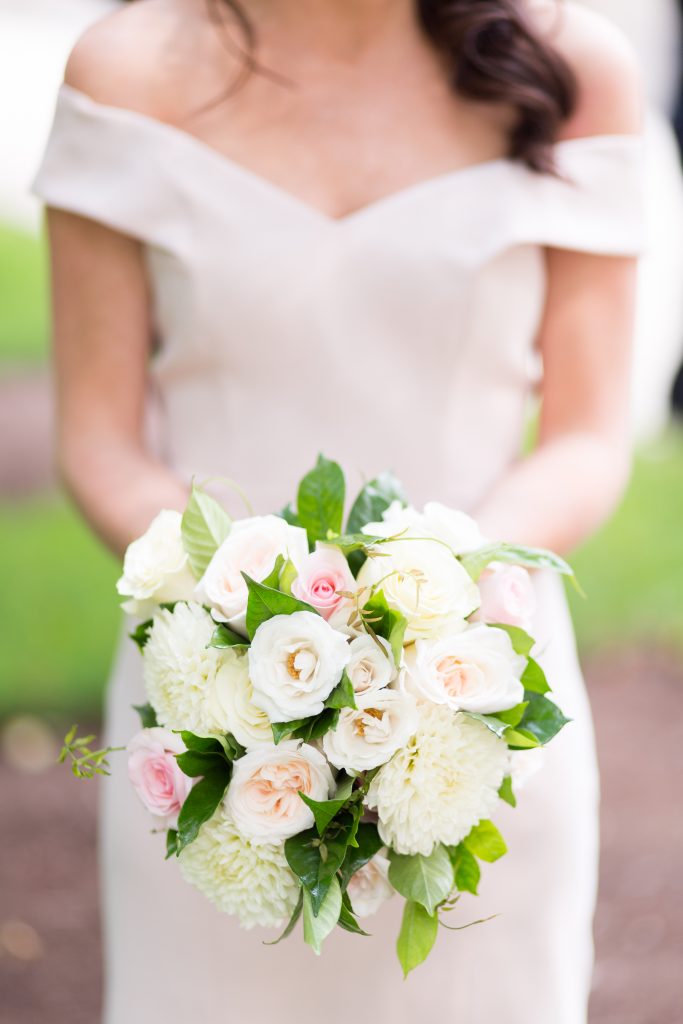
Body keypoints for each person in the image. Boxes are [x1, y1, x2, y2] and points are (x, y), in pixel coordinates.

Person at [31, 1, 644, 1021]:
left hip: (476, 702)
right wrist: (236, 607)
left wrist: (461, 584)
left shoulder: (574, 68)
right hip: (211, 729)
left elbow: (584, 435)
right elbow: (101, 441)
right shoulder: (126, 71)